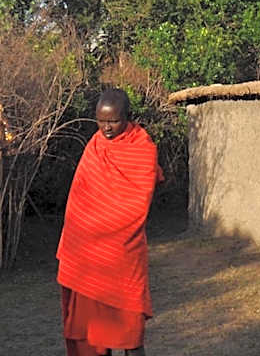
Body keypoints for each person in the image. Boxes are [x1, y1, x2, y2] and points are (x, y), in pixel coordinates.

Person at [57, 88, 162, 356]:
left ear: (127, 117)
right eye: (101, 121)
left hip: (123, 255)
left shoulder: (142, 148)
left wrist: (105, 229)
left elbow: (137, 203)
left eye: (113, 121)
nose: (106, 128)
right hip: (89, 258)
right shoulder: (95, 145)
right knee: (92, 333)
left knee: (130, 334)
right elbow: (80, 199)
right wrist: (85, 235)